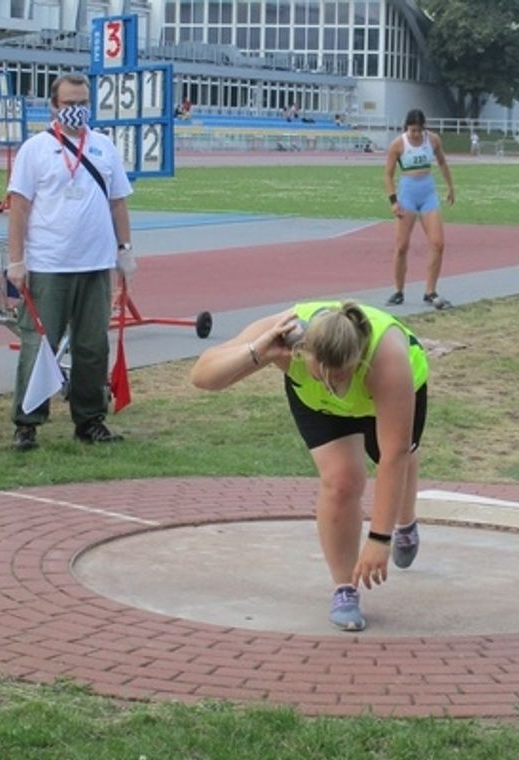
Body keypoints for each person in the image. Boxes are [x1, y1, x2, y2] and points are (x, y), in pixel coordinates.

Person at [190, 300, 429, 632]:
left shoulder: (386, 358)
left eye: (341, 375)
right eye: (324, 375)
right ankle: (344, 588)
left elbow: (393, 456)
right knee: (341, 481)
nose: (334, 385)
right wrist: (259, 352)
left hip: (387, 394)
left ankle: (406, 524)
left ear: (357, 359)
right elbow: (203, 377)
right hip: (316, 406)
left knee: (400, 455)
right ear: (302, 353)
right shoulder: (287, 333)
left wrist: (379, 538)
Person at [5, 72, 134, 451]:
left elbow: (118, 202)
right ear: (54, 107)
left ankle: (90, 419)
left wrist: (125, 250)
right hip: (49, 264)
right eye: (70, 104)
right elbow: (19, 207)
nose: (77, 110)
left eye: (83, 103)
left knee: (93, 346)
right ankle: (27, 423)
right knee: (38, 344)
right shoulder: (35, 149)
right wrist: (17, 261)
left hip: (95, 265)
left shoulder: (104, 147)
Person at [383, 108, 456, 310]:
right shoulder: (398, 144)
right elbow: (388, 175)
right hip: (407, 195)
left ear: (424, 128)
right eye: (412, 130)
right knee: (401, 246)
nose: (415, 134)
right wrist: (394, 201)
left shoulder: (432, 140)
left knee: (438, 243)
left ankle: (430, 292)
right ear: (406, 127)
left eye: (418, 130)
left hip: (428, 194)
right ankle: (398, 291)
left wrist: (450, 186)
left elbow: (442, 162)